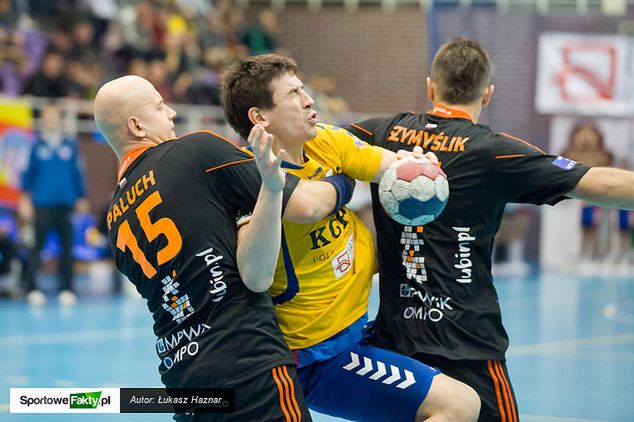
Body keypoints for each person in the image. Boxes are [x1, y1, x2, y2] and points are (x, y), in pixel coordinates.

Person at [348, 37, 634, 421]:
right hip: (467, 347)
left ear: (431, 87)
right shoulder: (494, 151)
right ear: (487, 94)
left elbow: (319, 143)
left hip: (394, 344)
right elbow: (601, 184)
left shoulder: (382, 133)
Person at [222, 54, 480, 422]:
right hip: (321, 353)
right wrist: (346, 181)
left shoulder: (326, 140)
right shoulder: (249, 176)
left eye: (303, 89)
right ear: (259, 117)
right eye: (293, 94)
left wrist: (419, 165)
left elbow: (391, 166)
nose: (308, 100)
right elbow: (307, 207)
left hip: (364, 323)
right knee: (459, 405)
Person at [94, 74, 352, 420]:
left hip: (184, 380)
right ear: (137, 126)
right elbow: (305, 205)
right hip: (248, 360)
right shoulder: (196, 152)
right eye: (159, 106)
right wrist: (347, 176)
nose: (171, 113)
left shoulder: (114, 218)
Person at [19, 101, 88, 306]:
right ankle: (32, 288)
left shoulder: (70, 145)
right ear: (42, 120)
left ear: (59, 119)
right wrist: (25, 200)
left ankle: (67, 288)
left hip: (66, 204)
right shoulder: (35, 145)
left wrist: (81, 197)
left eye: (54, 116)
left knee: (67, 248)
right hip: (42, 204)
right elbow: (27, 175)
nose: (51, 120)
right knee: (37, 247)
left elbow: (77, 172)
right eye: (47, 116)